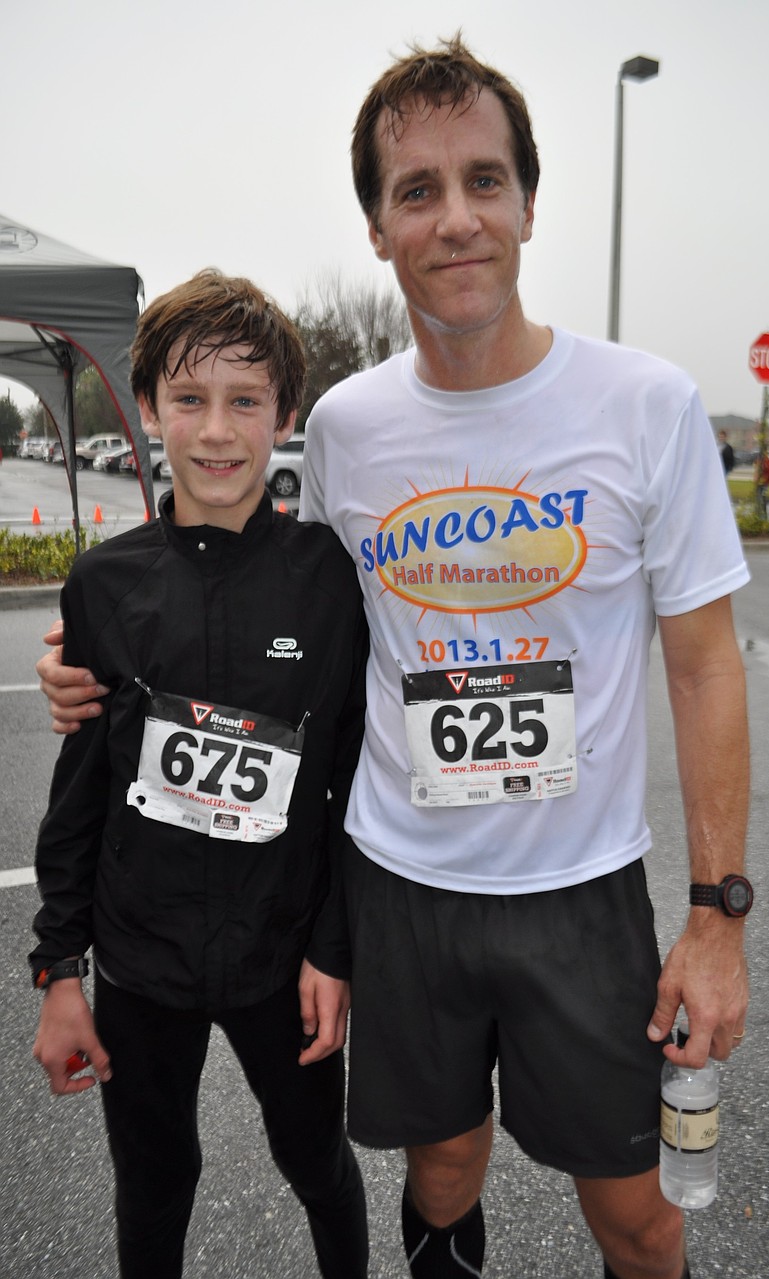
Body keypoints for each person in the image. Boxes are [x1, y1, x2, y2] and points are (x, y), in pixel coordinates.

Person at [36, 37, 752, 1279]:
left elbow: (704, 668)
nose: (455, 218)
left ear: (528, 201)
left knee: (638, 1217)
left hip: (581, 889)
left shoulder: (649, 405)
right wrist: (88, 661)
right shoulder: (351, 427)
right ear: (378, 226)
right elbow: (278, 617)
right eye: (417, 189)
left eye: (484, 180)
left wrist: (716, 917)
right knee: (441, 1170)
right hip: (402, 887)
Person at [29, 270, 369, 1279]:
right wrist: (59, 970)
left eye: (245, 400)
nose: (217, 431)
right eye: (189, 398)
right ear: (146, 409)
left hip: (283, 955)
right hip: (141, 961)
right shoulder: (103, 581)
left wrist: (335, 950)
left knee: (316, 1160)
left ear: (285, 415)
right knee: (153, 1180)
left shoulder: (329, 578)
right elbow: (80, 791)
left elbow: (351, 778)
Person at [754, 448, 769, 518]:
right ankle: (759, 512)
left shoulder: (767, 461)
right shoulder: (759, 461)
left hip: (765, 483)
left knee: (762, 497)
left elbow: (766, 470)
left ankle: (763, 513)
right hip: (760, 482)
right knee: (759, 497)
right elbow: (756, 470)